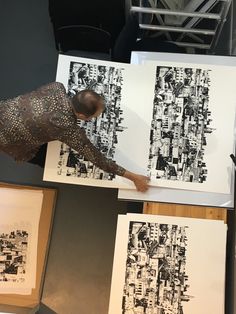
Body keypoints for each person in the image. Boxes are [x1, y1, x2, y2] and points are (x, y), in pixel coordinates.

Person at [0, 82, 149, 192]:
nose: (92, 120)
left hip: (4, 111)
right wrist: (134, 177)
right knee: (46, 158)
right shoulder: (67, 127)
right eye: (92, 117)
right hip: (8, 139)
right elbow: (97, 158)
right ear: (82, 116)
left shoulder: (57, 87)